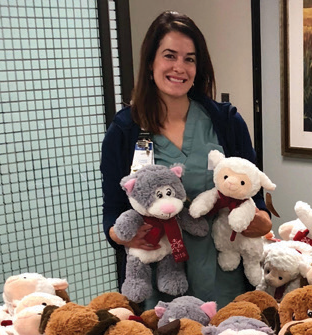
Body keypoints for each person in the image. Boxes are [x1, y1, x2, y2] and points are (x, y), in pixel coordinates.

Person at [101, 11, 271, 310]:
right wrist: (123, 235)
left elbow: (253, 196)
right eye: (170, 56)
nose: (179, 67)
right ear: (151, 61)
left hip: (223, 274)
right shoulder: (126, 130)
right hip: (159, 275)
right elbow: (113, 210)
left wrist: (259, 219)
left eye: (189, 59)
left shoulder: (225, 122)